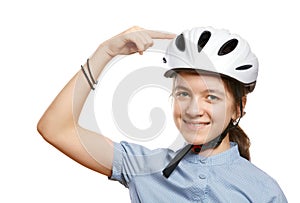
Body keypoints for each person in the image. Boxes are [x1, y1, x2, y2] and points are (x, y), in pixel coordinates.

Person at [37, 26, 287, 202]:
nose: (193, 110)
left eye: (211, 97)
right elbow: (55, 128)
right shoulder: (143, 166)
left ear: (238, 107)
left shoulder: (265, 192)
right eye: (183, 93)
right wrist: (105, 53)